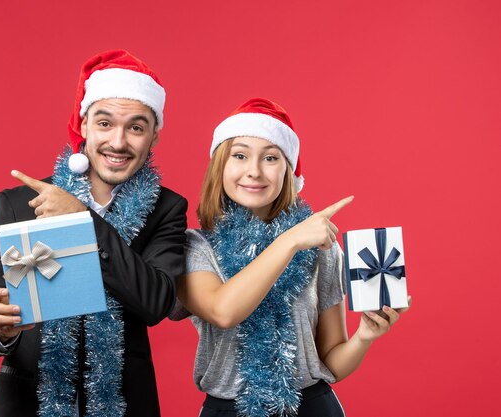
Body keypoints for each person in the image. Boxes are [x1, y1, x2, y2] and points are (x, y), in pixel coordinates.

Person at [0, 49, 188, 417]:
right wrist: (2, 330)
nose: (118, 142)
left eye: (135, 127)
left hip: (125, 402)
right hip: (27, 402)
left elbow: (155, 302)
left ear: (154, 137)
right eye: (104, 123)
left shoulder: (167, 209)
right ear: (82, 125)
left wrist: (83, 220)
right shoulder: (18, 205)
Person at [173, 98, 410, 417]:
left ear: (287, 170)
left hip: (311, 407)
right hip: (229, 409)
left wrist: (364, 337)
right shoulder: (195, 247)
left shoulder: (320, 247)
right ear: (220, 166)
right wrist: (290, 241)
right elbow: (223, 311)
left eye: (270, 157)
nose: (254, 171)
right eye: (239, 155)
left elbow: (331, 364)